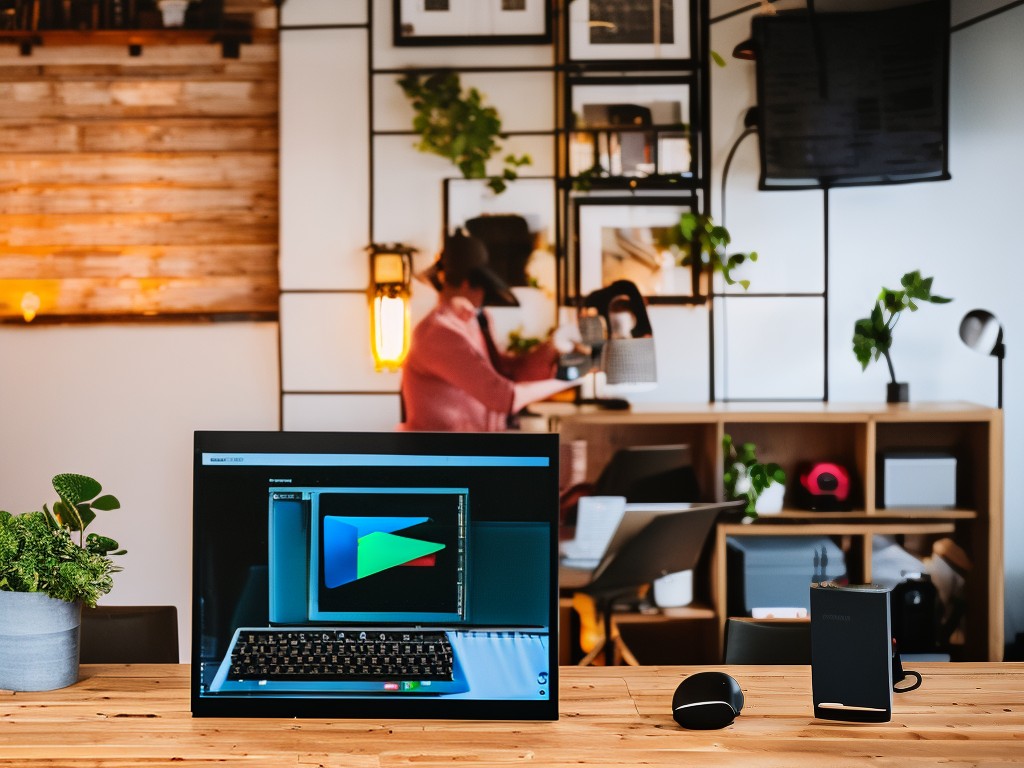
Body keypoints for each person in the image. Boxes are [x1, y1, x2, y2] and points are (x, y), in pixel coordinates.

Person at [401, 231, 580, 432]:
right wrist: (574, 377)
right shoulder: (439, 334)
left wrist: (555, 345)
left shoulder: (476, 321)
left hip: (471, 453)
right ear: (468, 284)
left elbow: (509, 372)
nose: (485, 298)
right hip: (439, 457)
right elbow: (502, 398)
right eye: (485, 288)